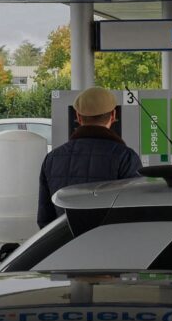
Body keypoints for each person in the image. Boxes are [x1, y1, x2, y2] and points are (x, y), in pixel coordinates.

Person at [37, 87, 142, 228]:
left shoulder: (52, 158)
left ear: (79, 117)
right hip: (111, 244)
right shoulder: (125, 157)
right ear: (113, 115)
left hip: (66, 245)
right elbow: (135, 211)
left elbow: (45, 218)